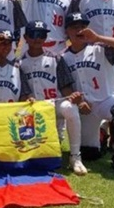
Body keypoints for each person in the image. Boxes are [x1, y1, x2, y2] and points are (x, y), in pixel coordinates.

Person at [62, 13, 114, 176]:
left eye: (83, 26)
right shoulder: (63, 58)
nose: (79, 30)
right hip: (83, 108)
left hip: (105, 100)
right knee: (90, 154)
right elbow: (65, 85)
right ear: (66, 32)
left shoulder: (101, 49)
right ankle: (102, 136)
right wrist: (78, 101)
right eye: (74, 27)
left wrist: (98, 37)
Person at [18, 20, 86, 175]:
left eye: (41, 35)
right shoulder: (20, 63)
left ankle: (75, 156)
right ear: (26, 37)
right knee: (42, 151)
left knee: (70, 108)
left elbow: (65, 87)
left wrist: (74, 97)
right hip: (33, 109)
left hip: (54, 105)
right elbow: (23, 92)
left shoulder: (56, 59)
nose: (38, 38)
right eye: (33, 34)